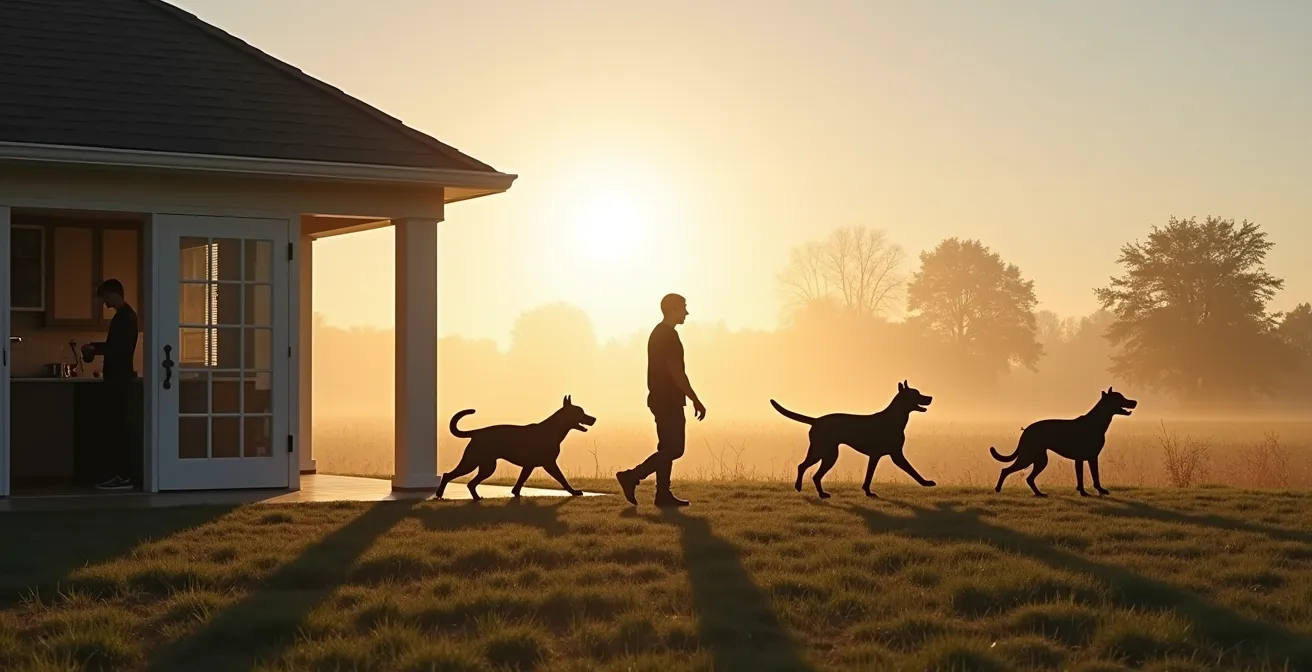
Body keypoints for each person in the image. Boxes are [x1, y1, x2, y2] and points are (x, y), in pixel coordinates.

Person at [616, 293, 706, 507]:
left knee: (666, 448)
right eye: (683, 307)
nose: (687, 312)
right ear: (672, 309)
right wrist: (695, 398)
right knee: (675, 449)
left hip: (660, 398)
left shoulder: (658, 333)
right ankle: (632, 476)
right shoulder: (668, 336)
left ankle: (662, 495)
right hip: (668, 400)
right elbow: (676, 372)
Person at [83, 279, 139, 491]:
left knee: (119, 428)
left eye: (105, 297)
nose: (105, 302)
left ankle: (123, 476)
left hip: (119, 380)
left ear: (115, 294)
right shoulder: (124, 316)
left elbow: (119, 349)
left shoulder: (125, 317)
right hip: (118, 379)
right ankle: (121, 474)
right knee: (118, 427)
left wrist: (93, 349)